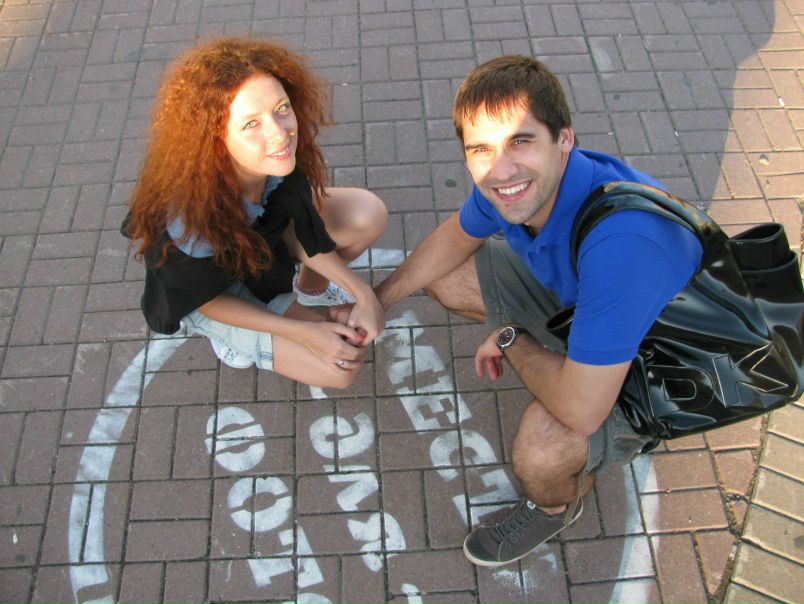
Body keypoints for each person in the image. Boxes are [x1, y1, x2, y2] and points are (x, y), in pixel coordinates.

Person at [373, 56, 703, 567]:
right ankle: (574, 353)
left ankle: (555, 506)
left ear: (564, 139)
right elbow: (456, 236)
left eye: (520, 141)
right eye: (481, 149)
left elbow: (581, 411)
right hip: (593, 306)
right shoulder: (514, 185)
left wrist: (511, 337)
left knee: (541, 453)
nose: (501, 170)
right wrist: (377, 301)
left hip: (663, 366)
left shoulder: (623, 246)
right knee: (443, 273)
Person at [123, 37, 387, 389]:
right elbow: (207, 298)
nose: (280, 134)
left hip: (258, 249)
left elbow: (292, 226)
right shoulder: (189, 221)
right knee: (340, 367)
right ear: (214, 138)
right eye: (251, 124)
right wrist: (303, 332)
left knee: (367, 213)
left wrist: (363, 293)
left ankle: (309, 292)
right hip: (213, 292)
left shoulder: (275, 162)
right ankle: (228, 337)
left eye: (281, 108)